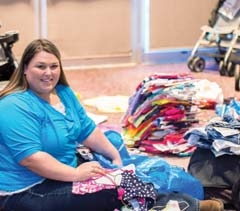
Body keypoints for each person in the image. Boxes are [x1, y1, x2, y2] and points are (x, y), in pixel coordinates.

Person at [0, 39, 224, 211]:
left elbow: (86, 129)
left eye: (53, 66)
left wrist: (115, 157)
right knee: (110, 191)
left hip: (59, 172)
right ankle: (183, 206)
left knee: (120, 174)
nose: (48, 73)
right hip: (25, 191)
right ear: (25, 69)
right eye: (40, 66)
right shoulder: (14, 105)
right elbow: (31, 158)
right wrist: (75, 174)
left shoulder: (63, 93)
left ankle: (179, 203)